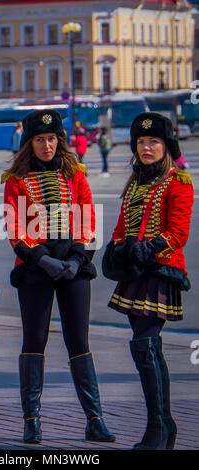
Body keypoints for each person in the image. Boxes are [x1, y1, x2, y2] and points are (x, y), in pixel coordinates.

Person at [2, 109, 115, 445]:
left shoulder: (75, 174)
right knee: (35, 342)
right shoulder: (17, 179)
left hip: (73, 268)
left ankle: (95, 420)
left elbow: (88, 216)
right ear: (30, 142)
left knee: (79, 342)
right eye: (40, 139)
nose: (47, 145)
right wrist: (41, 258)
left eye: (52, 139)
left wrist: (79, 258)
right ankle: (32, 422)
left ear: (60, 140)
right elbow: (15, 227)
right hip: (36, 269)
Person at [102, 112, 194, 450]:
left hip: (160, 269)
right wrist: (115, 249)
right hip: (134, 272)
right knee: (146, 349)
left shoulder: (178, 181)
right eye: (141, 142)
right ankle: (164, 424)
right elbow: (122, 227)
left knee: (145, 344)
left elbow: (178, 233)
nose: (146, 147)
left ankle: (158, 426)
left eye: (153, 141)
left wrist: (145, 251)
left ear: (166, 145)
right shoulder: (134, 183)